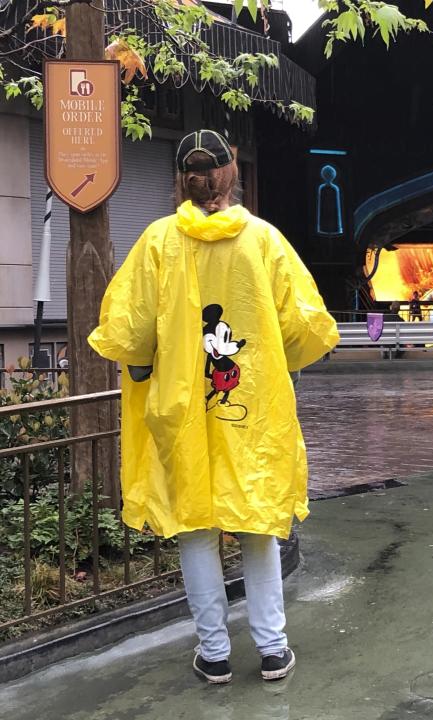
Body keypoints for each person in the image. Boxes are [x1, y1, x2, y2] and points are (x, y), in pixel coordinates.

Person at [88, 129, 340, 685]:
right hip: (255, 413)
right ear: (231, 175)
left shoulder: (158, 242)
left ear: (182, 180)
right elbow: (308, 328)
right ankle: (273, 649)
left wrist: (150, 366)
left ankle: (215, 654)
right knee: (257, 525)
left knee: (196, 529)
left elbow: (127, 332)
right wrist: (274, 358)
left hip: (182, 416)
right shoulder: (264, 240)